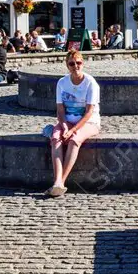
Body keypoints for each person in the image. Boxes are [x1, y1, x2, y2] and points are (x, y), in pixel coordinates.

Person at [46, 50, 101, 197]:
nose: (75, 66)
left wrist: (72, 130)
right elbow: (60, 109)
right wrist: (63, 125)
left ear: (83, 64)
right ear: (67, 65)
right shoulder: (62, 83)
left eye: (78, 63)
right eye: (71, 63)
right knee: (56, 138)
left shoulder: (91, 83)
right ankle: (57, 181)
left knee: (74, 140)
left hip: (89, 122)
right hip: (67, 120)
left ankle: (60, 182)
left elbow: (89, 112)